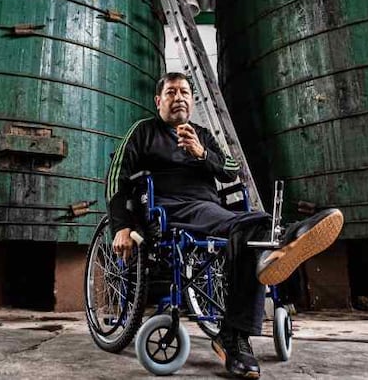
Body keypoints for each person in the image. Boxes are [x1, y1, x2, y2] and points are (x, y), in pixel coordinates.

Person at [107, 72, 344, 379]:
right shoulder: (143, 132)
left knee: (248, 231)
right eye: (171, 92)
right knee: (254, 228)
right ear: (158, 101)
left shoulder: (203, 134)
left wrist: (202, 154)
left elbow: (230, 170)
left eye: (184, 92)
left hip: (209, 210)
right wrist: (121, 227)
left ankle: (238, 324)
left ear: (192, 101)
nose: (178, 97)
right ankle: (281, 240)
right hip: (168, 209)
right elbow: (116, 178)